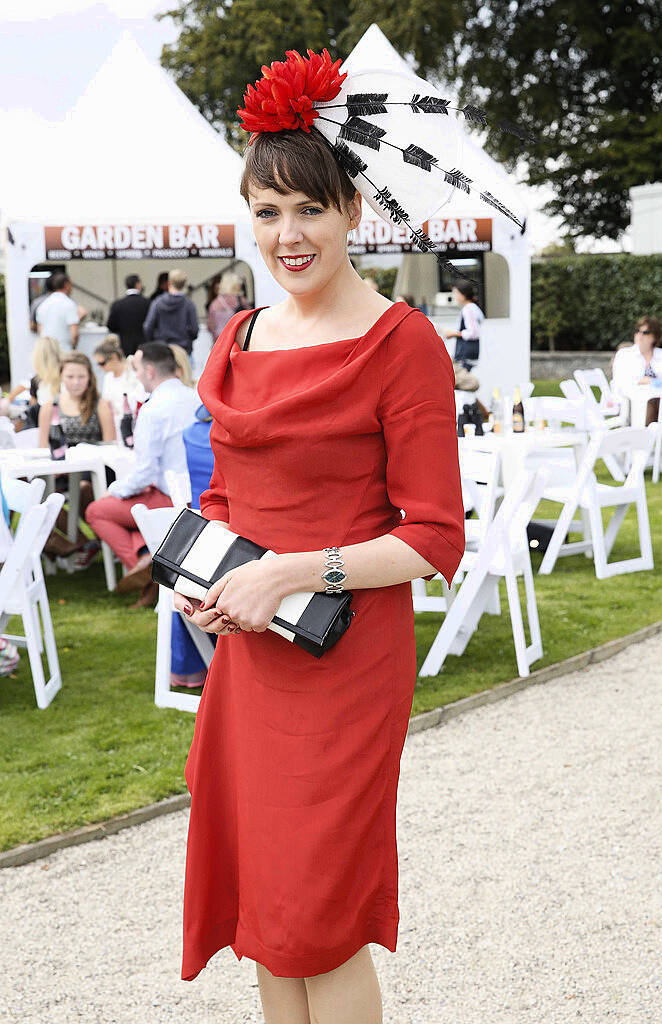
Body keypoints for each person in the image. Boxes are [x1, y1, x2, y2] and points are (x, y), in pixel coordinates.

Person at [176, 50, 465, 1024]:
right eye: (266, 211)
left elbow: (431, 536)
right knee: (267, 908)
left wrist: (291, 572)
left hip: (344, 663)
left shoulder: (402, 344)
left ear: (351, 209)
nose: (287, 234)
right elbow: (222, 492)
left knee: (321, 914)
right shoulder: (239, 337)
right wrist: (203, 571)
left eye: (308, 208)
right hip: (250, 658)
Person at [85, 342, 199, 607]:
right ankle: (147, 555)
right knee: (138, 509)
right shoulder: (198, 398)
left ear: (149, 371)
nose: (135, 375)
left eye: (136, 370)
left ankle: (151, 572)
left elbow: (145, 471)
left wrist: (114, 491)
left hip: (174, 498)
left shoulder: (153, 409)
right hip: (199, 494)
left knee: (97, 510)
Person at [38, 352, 115, 562]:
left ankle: (103, 539)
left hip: (93, 469)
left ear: (89, 376)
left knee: (83, 489)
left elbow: (111, 444)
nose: (75, 382)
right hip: (61, 469)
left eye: (81, 377)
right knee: (41, 494)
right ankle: (80, 542)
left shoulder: (99, 404)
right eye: (70, 377)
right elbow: (42, 447)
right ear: (61, 376)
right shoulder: (50, 405)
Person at [611, 315, 662, 425]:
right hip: (629, 404)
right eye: (637, 331)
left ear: (655, 336)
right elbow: (621, 382)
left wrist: (650, 381)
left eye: (645, 332)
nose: (640, 335)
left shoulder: (660, 355)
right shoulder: (625, 354)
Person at [93, 336, 148, 435]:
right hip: (114, 424)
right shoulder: (108, 377)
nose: (100, 367)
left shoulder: (133, 372)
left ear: (114, 357)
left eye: (102, 363)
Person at [142, 269, 199, 354]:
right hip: (183, 350)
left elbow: (147, 327)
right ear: (184, 284)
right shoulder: (189, 304)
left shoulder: (157, 302)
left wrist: (155, 342)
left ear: (169, 283)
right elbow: (194, 330)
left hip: (162, 349)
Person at [444, 280, 485, 370]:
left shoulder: (468, 309)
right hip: (471, 352)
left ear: (463, 294)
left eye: (456, 293)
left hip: (466, 354)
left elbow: (473, 332)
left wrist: (453, 334)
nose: (455, 297)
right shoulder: (473, 308)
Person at [106, 274, 150, 356]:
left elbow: (110, 326)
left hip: (125, 345)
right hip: (144, 345)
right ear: (138, 284)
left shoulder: (117, 304)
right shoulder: (148, 303)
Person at [35, 272, 80, 352]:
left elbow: (40, 331)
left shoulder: (43, 305)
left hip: (46, 351)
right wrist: (73, 348)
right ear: (66, 285)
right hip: (64, 350)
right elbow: (74, 334)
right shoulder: (69, 304)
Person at [206, 271, 250, 340]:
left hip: (220, 340)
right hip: (238, 340)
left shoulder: (215, 303)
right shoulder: (241, 301)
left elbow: (210, 326)